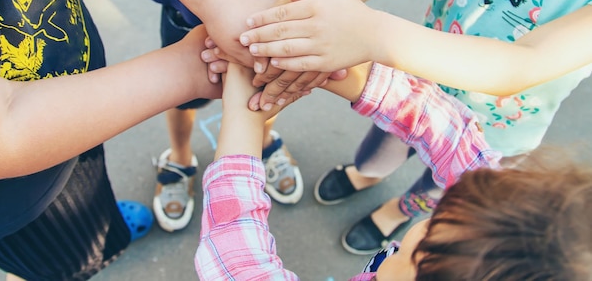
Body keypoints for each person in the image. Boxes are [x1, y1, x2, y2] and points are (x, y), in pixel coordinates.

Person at [0, 0, 308, 278]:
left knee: (90, 195)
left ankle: (103, 224)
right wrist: (191, 67)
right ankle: (81, 250)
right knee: (60, 258)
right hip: (4, 191)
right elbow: (2, 126)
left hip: (67, 85)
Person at [236, 0, 592, 254]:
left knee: (440, 188)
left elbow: (522, 62)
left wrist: (368, 32)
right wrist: (286, 23)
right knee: (377, 152)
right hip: (415, 85)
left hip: (497, 129)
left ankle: (397, 210)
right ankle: (366, 174)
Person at [196, 62, 591, 280]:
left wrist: (243, 120)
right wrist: (341, 72)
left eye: (425, 244)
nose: (422, 229)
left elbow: (237, 263)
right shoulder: (510, 222)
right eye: (443, 218)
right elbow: (450, 136)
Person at [144, 0, 363, 232]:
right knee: (186, 88)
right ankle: (180, 156)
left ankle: (262, 140)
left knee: (270, 75)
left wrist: (314, 7)